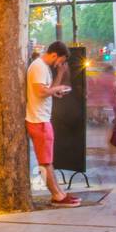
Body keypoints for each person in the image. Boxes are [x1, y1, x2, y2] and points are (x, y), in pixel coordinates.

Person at [26, 40, 78, 207]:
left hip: (42, 118)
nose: (60, 64)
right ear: (54, 55)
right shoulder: (39, 67)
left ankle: (59, 193)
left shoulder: (43, 67)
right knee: (45, 162)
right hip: (38, 120)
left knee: (48, 160)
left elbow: (48, 90)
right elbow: (40, 92)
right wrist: (57, 88)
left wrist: (59, 79)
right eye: (61, 61)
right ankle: (57, 195)